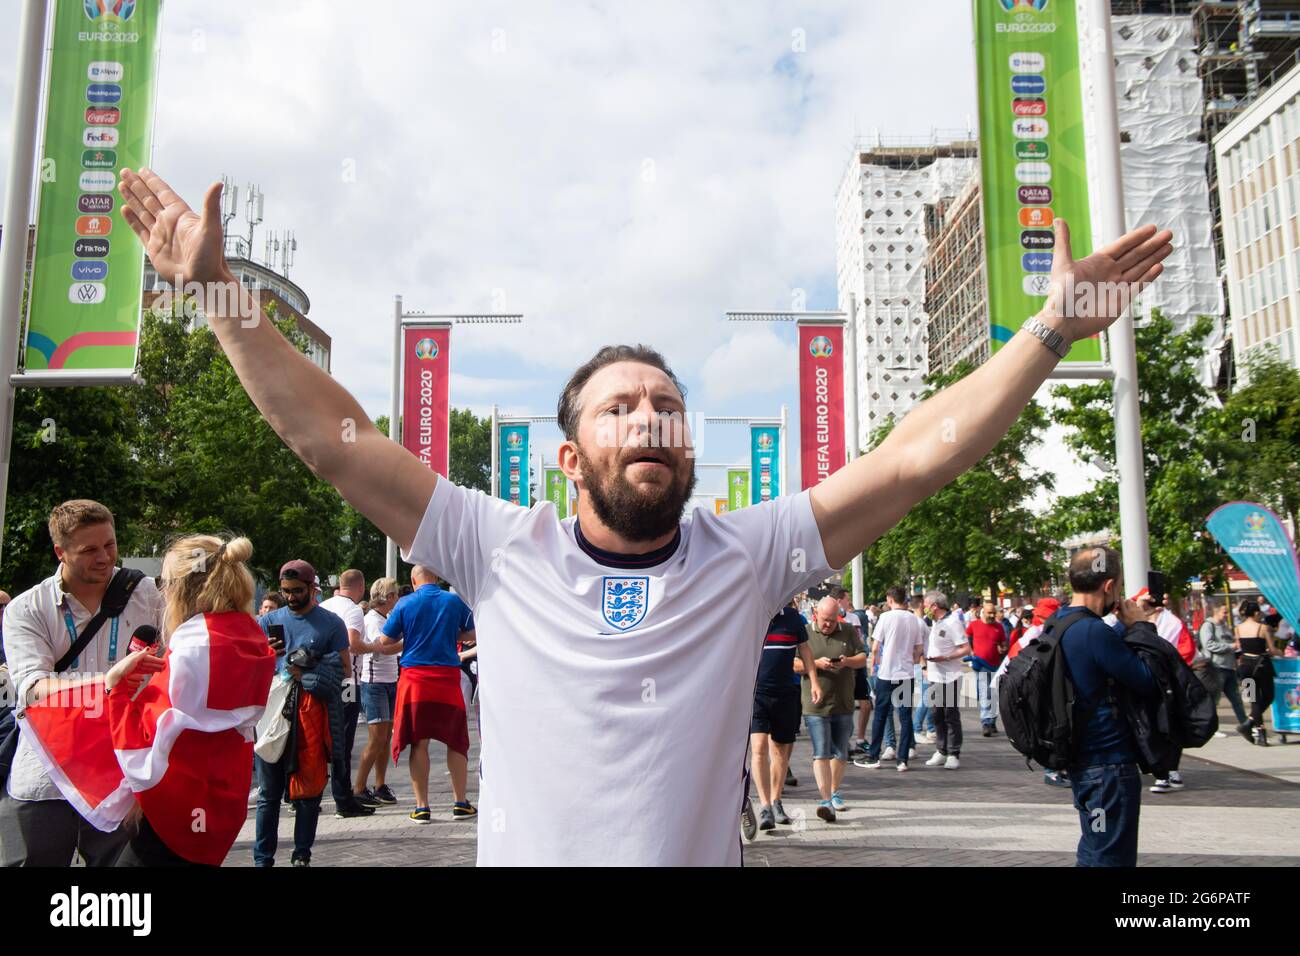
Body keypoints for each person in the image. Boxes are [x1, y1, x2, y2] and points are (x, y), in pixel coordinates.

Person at [115, 165, 1170, 864]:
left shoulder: (746, 551)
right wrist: (219, 298)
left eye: (666, 403)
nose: (651, 417)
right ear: (571, 455)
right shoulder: (495, 543)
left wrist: (1049, 331)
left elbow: (911, 458)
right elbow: (327, 434)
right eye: (621, 406)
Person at [26, 535, 275, 866]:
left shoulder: (194, 645)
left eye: (165, 582)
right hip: (218, 794)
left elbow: (150, 735)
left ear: (179, 587)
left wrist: (118, 691)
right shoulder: (247, 633)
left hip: (176, 803)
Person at [0, 500, 163, 867]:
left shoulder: (149, 595)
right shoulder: (26, 608)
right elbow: (30, 689)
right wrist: (106, 682)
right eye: (89, 550)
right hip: (46, 776)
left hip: (122, 776)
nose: (104, 557)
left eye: (110, 544)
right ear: (60, 552)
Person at [254, 559, 369, 867]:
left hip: (312, 713)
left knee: (308, 790)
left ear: (312, 589)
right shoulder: (268, 622)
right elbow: (251, 666)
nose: (292, 597)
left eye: (298, 591)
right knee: (269, 793)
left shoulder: (330, 623)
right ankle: (263, 858)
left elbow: (345, 667)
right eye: (286, 591)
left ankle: (301, 854)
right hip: (275, 713)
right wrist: (268, 655)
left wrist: (310, 666)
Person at [1054, 547, 1160, 867]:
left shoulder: (1059, 623)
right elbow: (1147, 680)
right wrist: (1142, 627)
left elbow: (1094, 658)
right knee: (1109, 856)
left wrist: (1123, 625)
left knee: (1095, 847)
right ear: (1109, 585)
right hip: (1108, 766)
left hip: (1083, 762)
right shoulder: (1093, 631)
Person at [382, 565, 477, 822]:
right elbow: (473, 632)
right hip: (447, 679)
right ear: (435, 577)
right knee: (456, 740)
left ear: (414, 581)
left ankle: (422, 806)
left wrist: (412, 637)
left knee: (418, 741)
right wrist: (450, 634)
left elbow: (385, 641)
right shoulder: (453, 601)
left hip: (415, 679)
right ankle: (460, 802)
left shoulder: (404, 604)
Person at [750, 600, 820, 830]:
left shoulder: (792, 617)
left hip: (785, 692)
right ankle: (764, 805)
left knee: (780, 750)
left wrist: (814, 681)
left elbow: (806, 650)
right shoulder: (753, 613)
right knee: (758, 747)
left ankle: (776, 800)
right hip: (756, 693)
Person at [796, 597, 865, 821]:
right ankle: (826, 800)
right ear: (816, 614)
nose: (828, 625)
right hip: (815, 703)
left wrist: (846, 661)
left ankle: (834, 791)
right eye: (825, 620)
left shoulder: (848, 631)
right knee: (821, 752)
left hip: (843, 701)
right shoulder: (805, 632)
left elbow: (863, 658)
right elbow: (794, 664)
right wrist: (816, 664)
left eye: (833, 621)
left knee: (841, 752)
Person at [855, 587, 925, 771]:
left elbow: (876, 647)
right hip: (906, 673)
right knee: (905, 716)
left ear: (890, 599)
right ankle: (902, 760)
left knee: (881, 714)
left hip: (887, 673)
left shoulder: (885, 618)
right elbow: (918, 649)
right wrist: (912, 660)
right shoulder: (914, 620)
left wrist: (873, 670)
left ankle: (874, 755)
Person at [319, 568, 367, 799]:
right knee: (344, 739)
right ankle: (343, 796)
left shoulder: (323, 606)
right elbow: (353, 644)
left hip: (320, 681)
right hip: (347, 682)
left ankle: (309, 794)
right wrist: (376, 647)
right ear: (361, 587)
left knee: (317, 737)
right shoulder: (353, 611)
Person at [354, 577, 403, 805]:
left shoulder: (386, 618)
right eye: (395, 594)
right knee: (376, 739)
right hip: (374, 683)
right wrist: (408, 642)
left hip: (389, 681)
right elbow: (381, 648)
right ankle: (359, 787)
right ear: (389, 597)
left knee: (384, 739)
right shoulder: (373, 620)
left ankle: (380, 784)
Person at [921, 591, 969, 770]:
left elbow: (965, 649)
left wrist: (946, 657)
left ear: (934, 606)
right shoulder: (934, 622)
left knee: (950, 714)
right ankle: (941, 750)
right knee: (936, 714)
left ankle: (953, 753)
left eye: (926, 604)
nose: (924, 608)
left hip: (950, 676)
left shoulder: (952, 622)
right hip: (934, 676)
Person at [1234, 600, 1280, 746]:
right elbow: (1272, 649)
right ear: (1255, 613)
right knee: (1268, 696)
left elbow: (1239, 647)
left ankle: (1261, 735)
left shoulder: (1238, 628)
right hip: (1261, 665)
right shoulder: (1263, 627)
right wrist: (1279, 652)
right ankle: (1250, 723)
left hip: (1245, 666)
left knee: (1254, 699)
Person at [965, 602, 1007, 736]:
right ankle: (985, 722)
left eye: (994, 613)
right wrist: (970, 651)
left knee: (994, 694)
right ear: (983, 612)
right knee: (985, 693)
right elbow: (966, 638)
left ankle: (992, 721)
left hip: (995, 664)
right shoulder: (974, 625)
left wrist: (1002, 648)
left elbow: (1003, 644)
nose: (992, 615)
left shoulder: (999, 627)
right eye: (990, 613)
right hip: (981, 664)